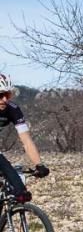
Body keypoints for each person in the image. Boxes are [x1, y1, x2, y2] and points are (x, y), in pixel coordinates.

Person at [0, 74, 49, 202]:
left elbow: (26, 140)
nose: (5, 99)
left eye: (8, 95)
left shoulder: (13, 110)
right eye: (0, 95)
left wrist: (39, 164)